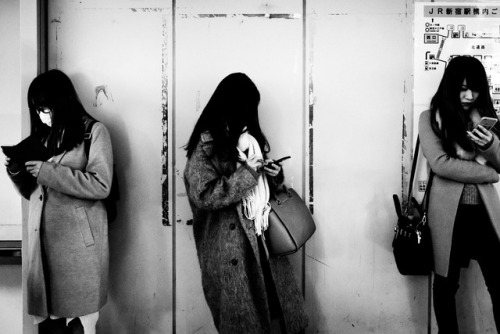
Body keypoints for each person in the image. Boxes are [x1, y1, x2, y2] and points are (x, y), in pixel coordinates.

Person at [183, 72, 308, 333]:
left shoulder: (249, 141)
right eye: (246, 108)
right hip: (230, 252)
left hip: (262, 240)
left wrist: (272, 175)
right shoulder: (205, 146)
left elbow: (259, 190)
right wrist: (248, 174)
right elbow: (204, 195)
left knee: (277, 313)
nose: (250, 115)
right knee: (245, 321)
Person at [4, 69, 113, 334]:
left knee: (78, 324)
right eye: (37, 109)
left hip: (78, 251)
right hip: (43, 248)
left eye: (45, 107)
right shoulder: (42, 137)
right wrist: (18, 172)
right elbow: (35, 192)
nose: (42, 114)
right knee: (48, 326)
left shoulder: (94, 132)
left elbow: (101, 185)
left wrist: (48, 171)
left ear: (62, 101)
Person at [419, 56, 500, 333]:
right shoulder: (430, 118)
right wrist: (488, 173)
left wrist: (490, 147)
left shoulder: (487, 119)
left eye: (474, 88)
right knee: (445, 285)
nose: (468, 95)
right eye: (462, 88)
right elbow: (441, 164)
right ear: (451, 85)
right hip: (448, 216)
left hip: (485, 215)